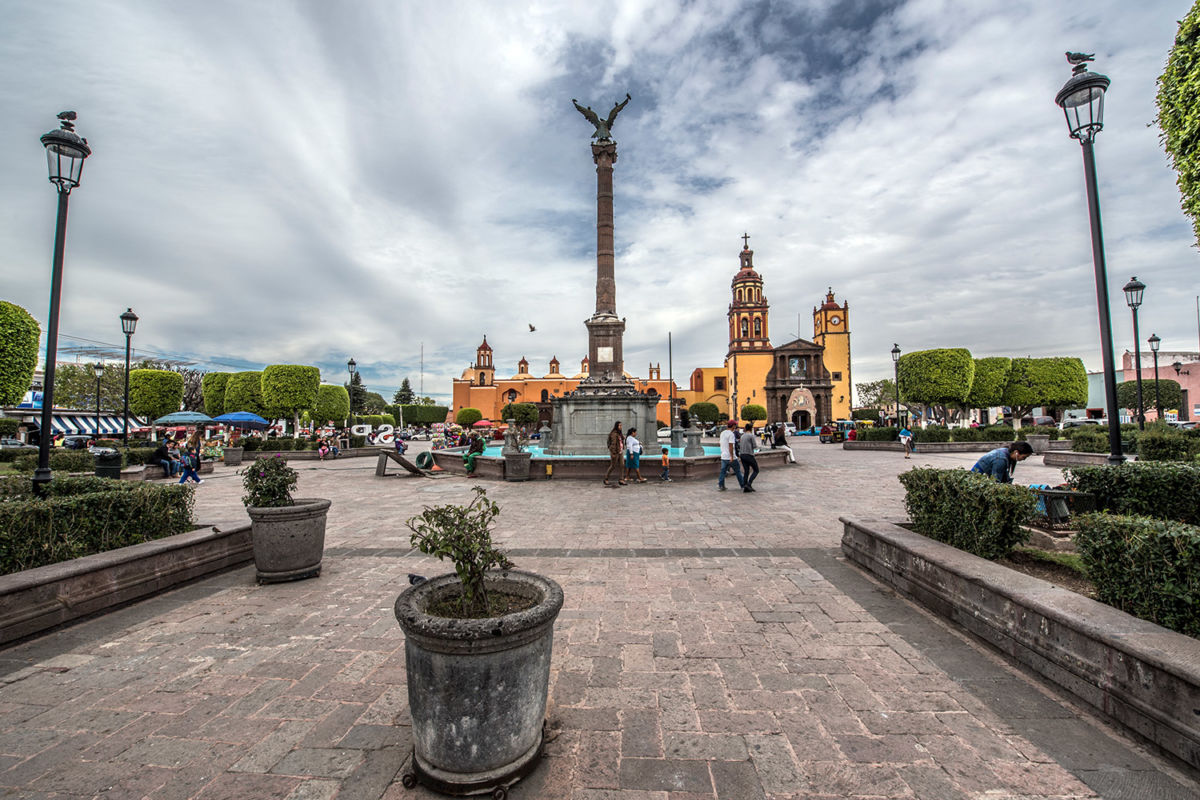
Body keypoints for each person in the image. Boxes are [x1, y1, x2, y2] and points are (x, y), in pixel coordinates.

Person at [717, 420, 744, 491]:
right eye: (735, 425)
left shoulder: (722, 433)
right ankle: (742, 484)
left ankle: (721, 485)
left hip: (723, 456)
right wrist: (732, 456)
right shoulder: (731, 434)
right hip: (731, 457)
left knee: (723, 471)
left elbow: (719, 443)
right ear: (733, 426)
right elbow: (731, 446)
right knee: (738, 471)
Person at [738, 422, 760, 492]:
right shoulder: (751, 436)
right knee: (756, 470)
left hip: (742, 455)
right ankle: (749, 484)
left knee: (746, 471)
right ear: (751, 429)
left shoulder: (742, 436)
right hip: (749, 454)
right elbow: (754, 446)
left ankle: (745, 486)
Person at [603, 421, 625, 487]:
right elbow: (613, 444)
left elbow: (621, 441)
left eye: (621, 425)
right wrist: (613, 453)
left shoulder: (619, 433)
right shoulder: (614, 434)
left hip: (620, 451)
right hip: (615, 452)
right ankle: (606, 478)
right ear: (616, 426)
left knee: (622, 465)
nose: (621, 427)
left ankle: (621, 479)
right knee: (613, 466)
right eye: (620, 425)